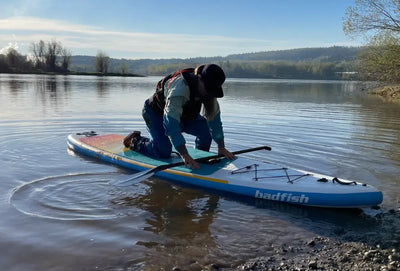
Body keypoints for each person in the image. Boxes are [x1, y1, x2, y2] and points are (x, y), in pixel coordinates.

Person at [123, 64, 235, 169]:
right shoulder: (180, 89)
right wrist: (184, 154)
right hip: (156, 113)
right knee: (163, 152)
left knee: (206, 132)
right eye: (208, 88)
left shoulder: (209, 91)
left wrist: (221, 146)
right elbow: (171, 124)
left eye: (213, 90)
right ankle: (135, 140)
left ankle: (201, 158)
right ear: (199, 79)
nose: (210, 93)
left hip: (184, 116)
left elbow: (214, 120)